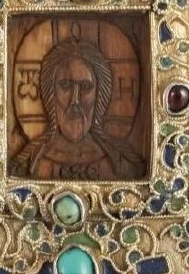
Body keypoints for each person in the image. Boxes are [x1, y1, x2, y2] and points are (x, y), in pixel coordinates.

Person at [10, 38, 145, 180]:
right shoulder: (24, 162)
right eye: (65, 86)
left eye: (86, 87)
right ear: (50, 92)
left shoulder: (125, 162)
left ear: (100, 95)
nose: (75, 101)